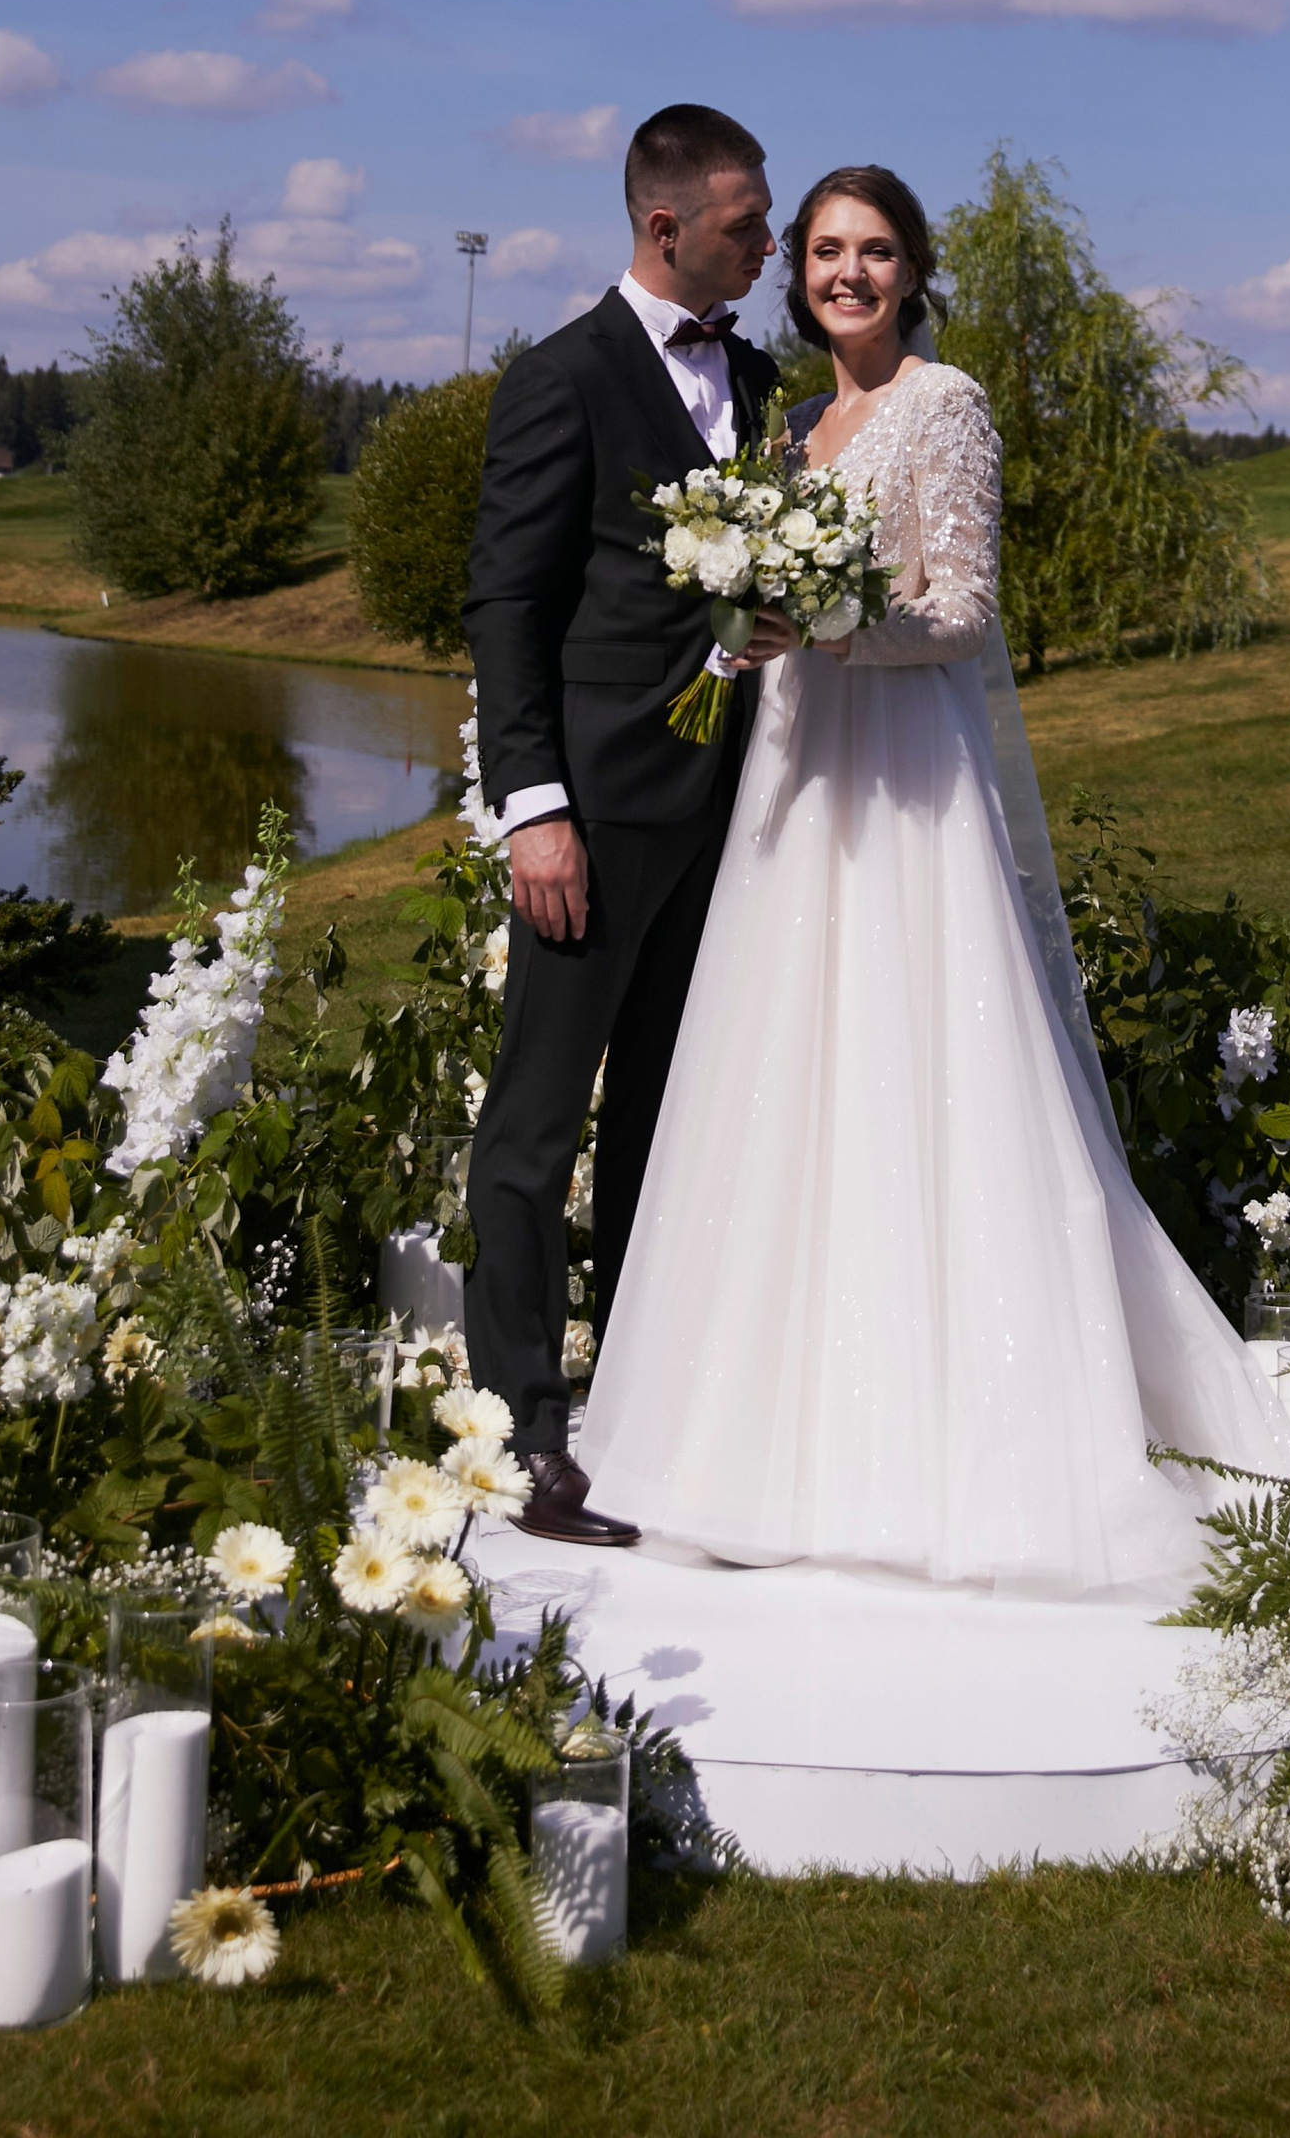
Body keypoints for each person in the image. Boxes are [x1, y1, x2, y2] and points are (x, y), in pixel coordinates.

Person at [577, 165, 1285, 1597]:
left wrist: (826, 620)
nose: (850, 272)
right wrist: (749, 618)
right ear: (800, 272)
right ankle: (746, 1445)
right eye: (829, 250)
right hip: (795, 782)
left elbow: (960, 614)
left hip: (903, 784)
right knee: (782, 1085)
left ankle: (960, 1453)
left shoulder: (945, 406)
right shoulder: (790, 426)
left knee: (923, 1080)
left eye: (877, 250)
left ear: (913, 271)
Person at [461, 102, 788, 1546]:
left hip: (737, 813)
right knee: (538, 1124)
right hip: (592, 816)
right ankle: (523, 1433)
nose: (768, 249)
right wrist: (535, 812)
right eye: (746, 225)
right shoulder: (565, 377)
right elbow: (506, 607)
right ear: (666, 225)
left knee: (669, 1109)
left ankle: (642, 1405)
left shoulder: (766, 382)